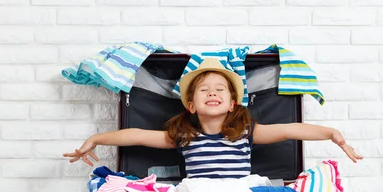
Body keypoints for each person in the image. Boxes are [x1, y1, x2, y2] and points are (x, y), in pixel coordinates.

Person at [63, 58, 363, 174]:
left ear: (232, 104)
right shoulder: (184, 136)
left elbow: (289, 130)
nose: (212, 93)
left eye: (220, 89)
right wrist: (95, 138)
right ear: (191, 106)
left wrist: (332, 134)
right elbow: (137, 135)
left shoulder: (247, 130)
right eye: (204, 90)